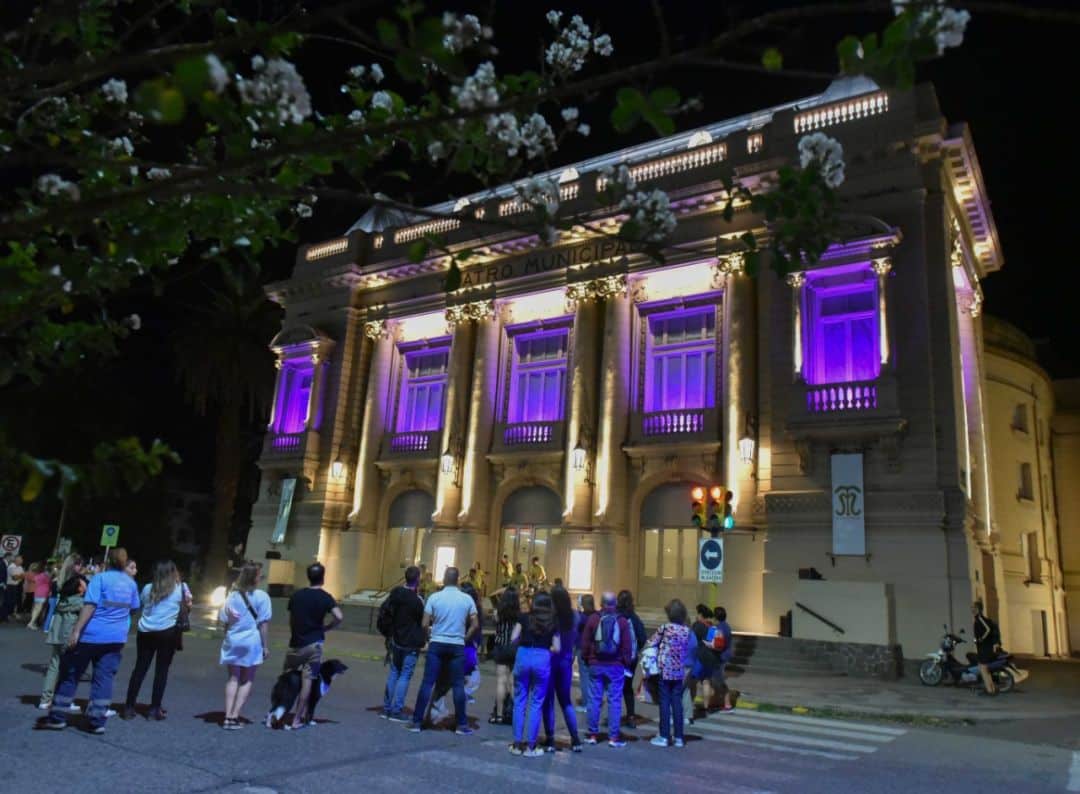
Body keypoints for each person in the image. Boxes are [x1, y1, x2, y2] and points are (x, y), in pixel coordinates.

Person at [41, 547, 141, 734]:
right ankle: (97, 721)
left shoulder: (100, 579)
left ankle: (58, 717)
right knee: (104, 679)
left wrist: (76, 631)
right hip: (116, 638)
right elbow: (134, 608)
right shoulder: (131, 584)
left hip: (92, 636)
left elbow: (89, 606)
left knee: (71, 673)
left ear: (108, 561)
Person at [408, 566, 478, 735]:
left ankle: (417, 722)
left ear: (445, 579)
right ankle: (461, 724)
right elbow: (475, 624)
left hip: (437, 643)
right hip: (457, 645)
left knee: (427, 683)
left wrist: (429, 636)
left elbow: (424, 623)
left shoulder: (434, 597)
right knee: (458, 685)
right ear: (458, 580)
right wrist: (464, 638)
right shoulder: (467, 599)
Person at [121, 560, 192, 721]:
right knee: (161, 671)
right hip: (167, 632)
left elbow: (142, 605)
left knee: (140, 669)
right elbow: (188, 606)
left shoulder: (147, 588)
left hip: (145, 631)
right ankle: (154, 709)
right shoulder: (181, 587)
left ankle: (129, 707)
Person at [283, 562, 342, 729]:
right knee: (307, 683)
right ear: (323, 578)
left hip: (296, 643)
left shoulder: (297, 596)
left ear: (308, 577)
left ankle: (277, 712)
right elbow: (339, 616)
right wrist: (328, 627)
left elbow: (291, 619)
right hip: (314, 644)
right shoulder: (325, 597)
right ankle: (296, 720)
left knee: (287, 680)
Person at [219, 562, 272, 730]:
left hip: (233, 639)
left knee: (233, 678)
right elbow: (263, 624)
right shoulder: (262, 597)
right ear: (255, 578)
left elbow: (224, 620)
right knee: (247, 679)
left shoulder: (232, 596)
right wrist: (265, 646)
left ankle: (227, 717)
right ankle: (235, 716)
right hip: (252, 641)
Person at [509, 591, 560, 757]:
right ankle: (531, 746)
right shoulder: (553, 621)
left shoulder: (524, 617)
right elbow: (557, 647)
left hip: (523, 655)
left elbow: (513, 637)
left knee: (519, 701)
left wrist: (522, 646)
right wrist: (547, 651)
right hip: (542, 657)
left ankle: (516, 745)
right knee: (537, 703)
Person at [581, 592, 632, 747]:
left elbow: (585, 643)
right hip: (615, 666)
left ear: (601, 604)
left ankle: (592, 734)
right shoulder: (622, 621)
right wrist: (625, 663)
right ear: (615, 604)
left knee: (594, 699)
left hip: (596, 665)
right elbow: (627, 646)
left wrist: (587, 659)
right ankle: (613, 737)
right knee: (614, 700)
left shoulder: (593, 619)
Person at [381, 564, 425, 722]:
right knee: (405, 675)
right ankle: (397, 710)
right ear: (417, 579)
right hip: (410, 641)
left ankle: (386, 708)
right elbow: (423, 620)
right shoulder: (417, 600)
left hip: (395, 638)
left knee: (394, 672)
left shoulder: (396, 593)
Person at [646, 599, 692, 748]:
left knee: (664, 703)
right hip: (679, 671)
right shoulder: (686, 631)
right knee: (677, 703)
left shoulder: (665, 628)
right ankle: (679, 737)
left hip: (665, 671)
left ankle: (664, 735)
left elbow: (651, 642)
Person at [541, 585, 582, 752]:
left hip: (550, 660)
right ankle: (576, 739)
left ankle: (550, 739)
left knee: (548, 701)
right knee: (566, 702)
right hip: (566, 661)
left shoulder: (550, 618)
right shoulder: (575, 617)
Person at [39, 569, 86, 711]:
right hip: (69, 638)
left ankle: (45, 700)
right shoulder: (80, 603)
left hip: (56, 637)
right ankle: (63, 699)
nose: (86, 585)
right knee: (69, 671)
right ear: (79, 588)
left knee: (53, 668)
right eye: (84, 583)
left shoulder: (62, 600)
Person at [489, 588, 519, 725]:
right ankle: (514, 713)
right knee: (512, 682)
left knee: (501, 681)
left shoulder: (497, 613)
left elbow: (492, 595)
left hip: (500, 647)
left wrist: (504, 589)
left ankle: (499, 715)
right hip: (514, 648)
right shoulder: (519, 615)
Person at [617, 589, 646, 727]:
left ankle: (613, 717)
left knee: (614, 688)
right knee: (628, 688)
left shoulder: (614, 616)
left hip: (614, 659)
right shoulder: (634, 618)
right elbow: (642, 637)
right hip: (630, 660)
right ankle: (630, 716)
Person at [709, 606, 736, 712]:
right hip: (724, 656)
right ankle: (716, 702)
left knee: (717, 681)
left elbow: (718, 646)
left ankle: (726, 704)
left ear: (715, 617)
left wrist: (709, 645)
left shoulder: (719, 629)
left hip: (719, 657)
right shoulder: (726, 626)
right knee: (716, 681)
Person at [972, 600, 999, 696]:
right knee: (984, 669)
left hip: (985, 648)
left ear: (979, 609)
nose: (972, 609)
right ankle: (991, 689)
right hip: (984, 648)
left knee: (983, 668)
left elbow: (988, 629)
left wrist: (981, 639)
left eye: (974, 608)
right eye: (972, 608)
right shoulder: (978, 619)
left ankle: (989, 690)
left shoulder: (980, 618)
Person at [575, 594, 596, 714]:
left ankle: (586, 703)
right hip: (594, 649)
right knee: (593, 676)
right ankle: (593, 701)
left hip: (583, 648)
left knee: (584, 677)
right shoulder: (596, 615)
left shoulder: (581, 617)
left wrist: (578, 609)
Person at [27, 562, 51, 629]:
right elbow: (49, 582)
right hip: (43, 593)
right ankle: (31, 623)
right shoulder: (45, 575)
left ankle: (32, 622)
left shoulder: (37, 576)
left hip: (37, 592)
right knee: (38, 609)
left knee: (35, 608)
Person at [1, 553, 21, 621]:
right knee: (4, 601)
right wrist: (2, 584)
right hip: (5, 585)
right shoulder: (2, 563)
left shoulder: (7, 564)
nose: (13, 558)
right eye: (12, 557)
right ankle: (2, 616)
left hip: (7, 585)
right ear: (8, 557)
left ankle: (3, 616)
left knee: (6, 602)